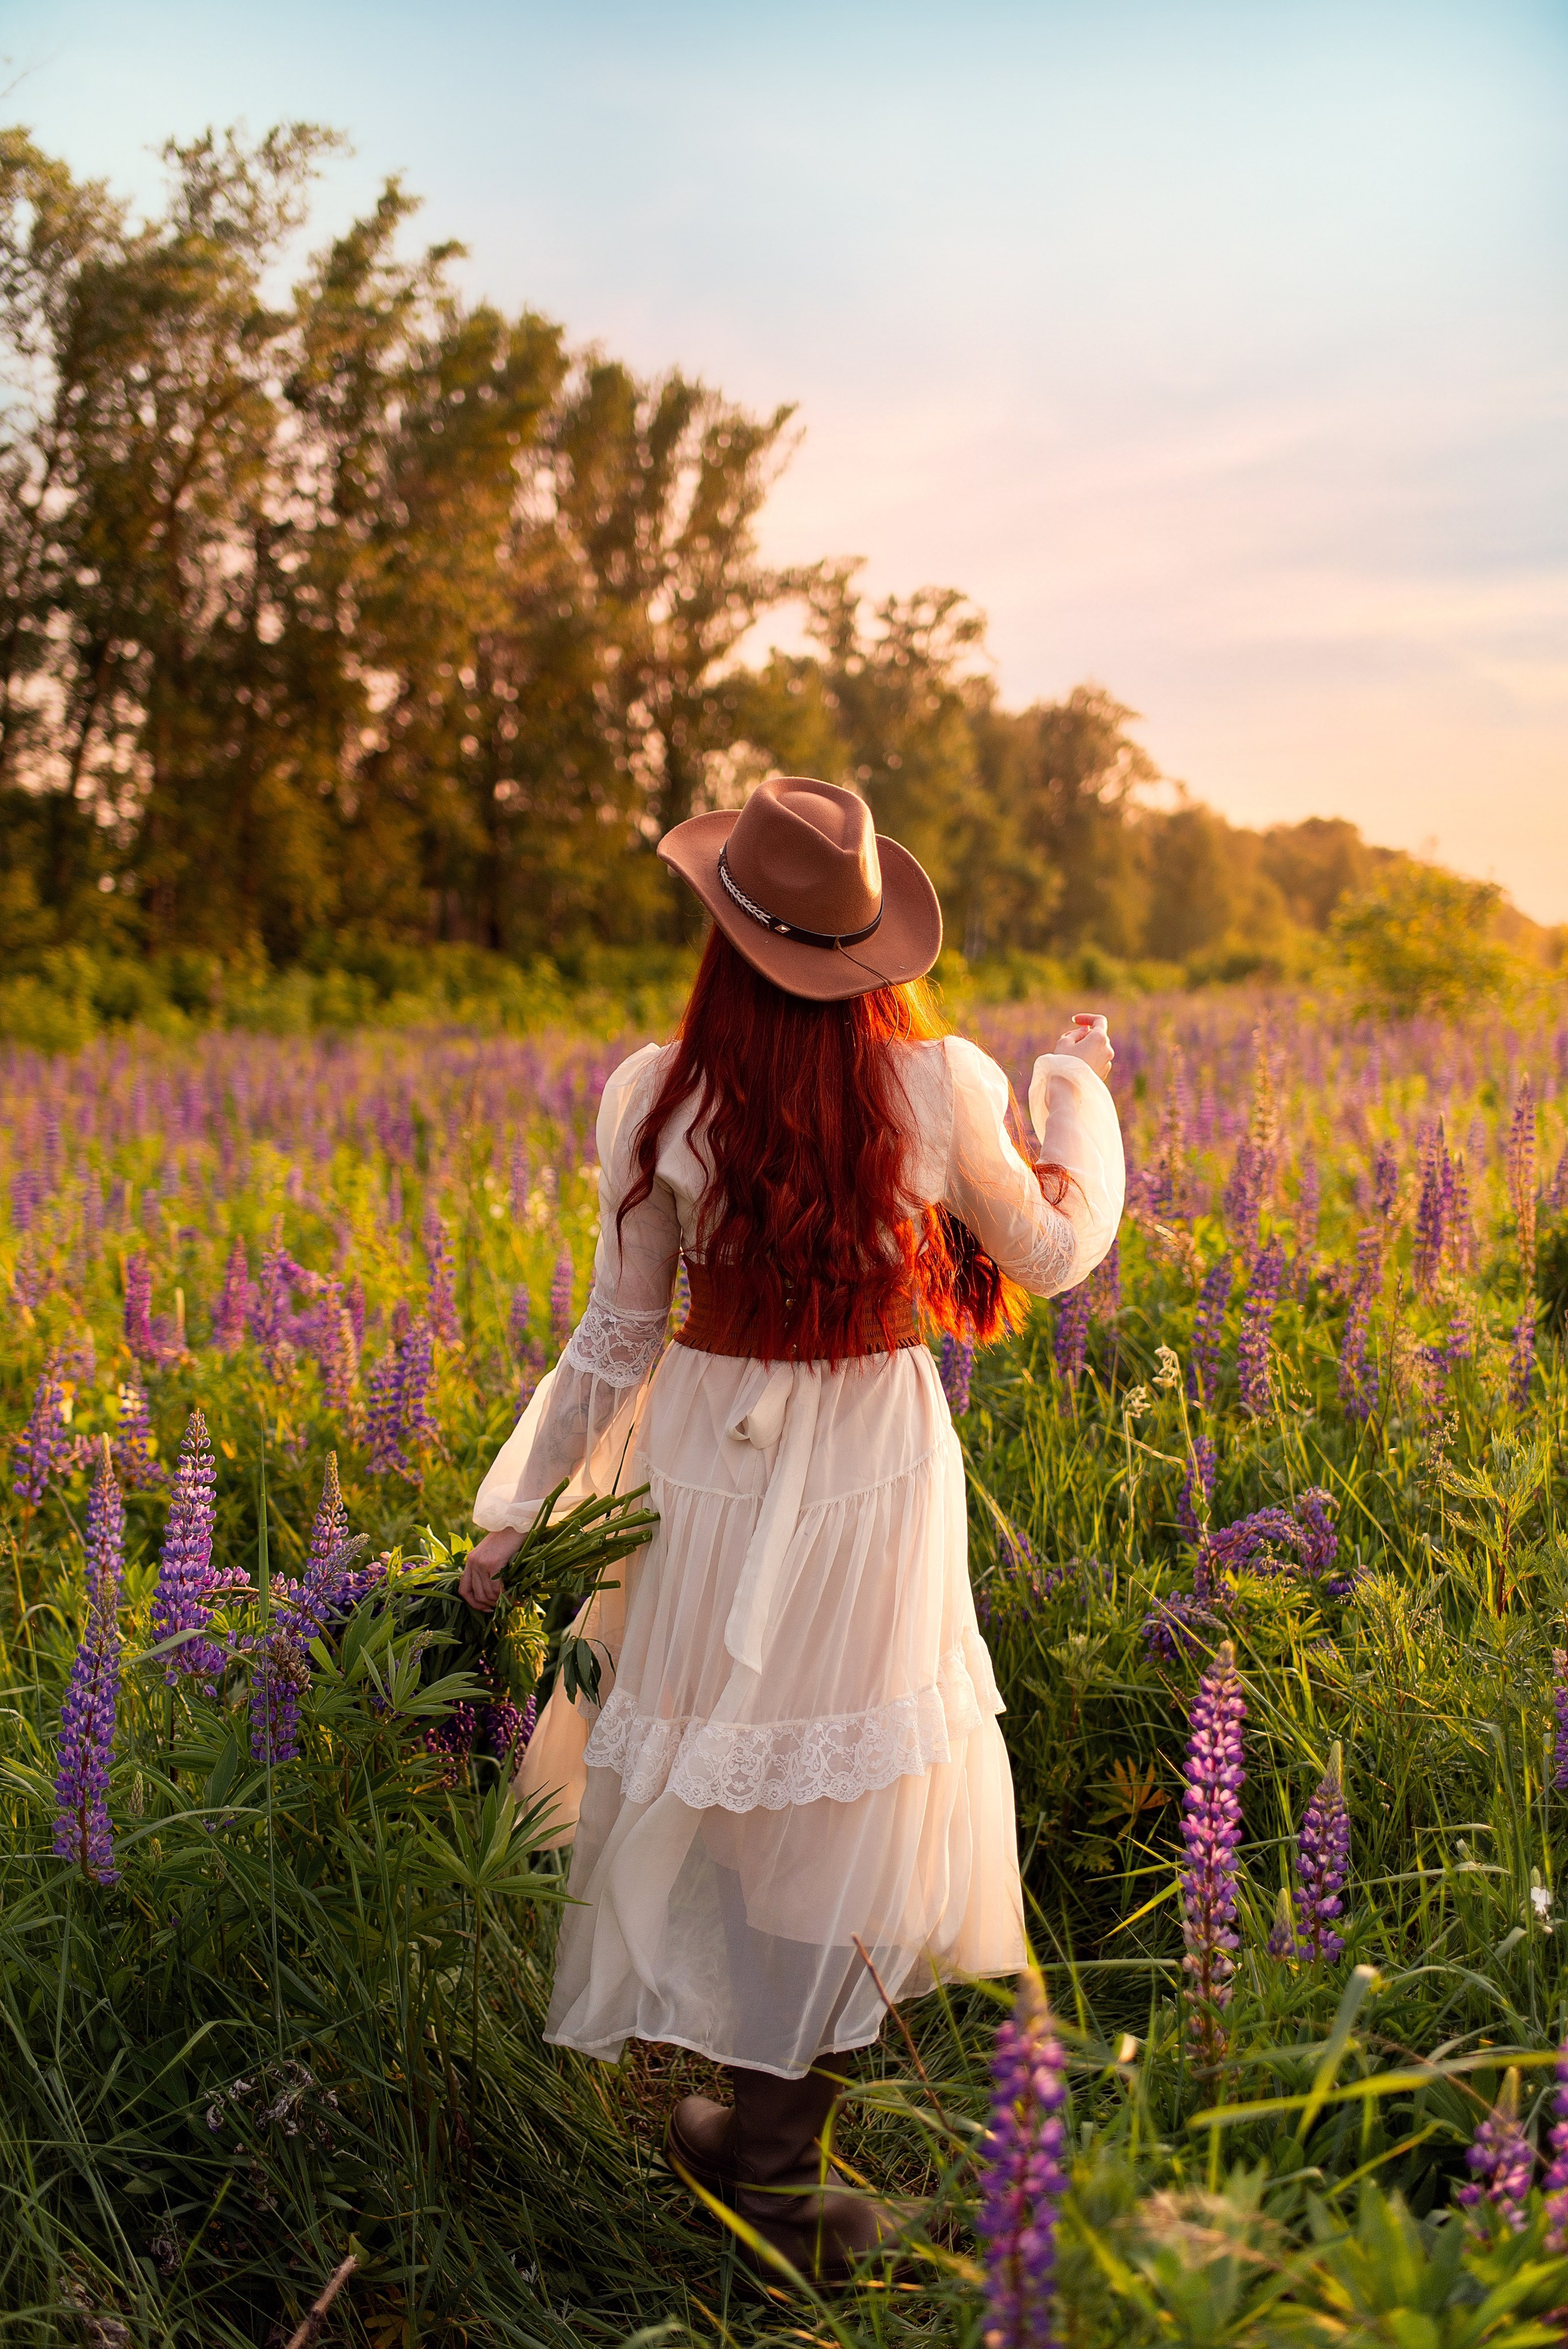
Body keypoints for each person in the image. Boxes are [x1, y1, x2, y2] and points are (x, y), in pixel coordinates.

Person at [460, 777, 1123, 2280]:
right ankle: (765, 2163)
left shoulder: (657, 1089)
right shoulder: (938, 1085)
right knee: (842, 1789)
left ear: (722, 936)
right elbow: (1061, 1250)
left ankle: (749, 2149)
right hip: (868, 1472)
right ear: (862, 949)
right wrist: (1072, 1080)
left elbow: (612, 1344)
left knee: (745, 1775)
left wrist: (509, 1515)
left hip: (704, 1456)